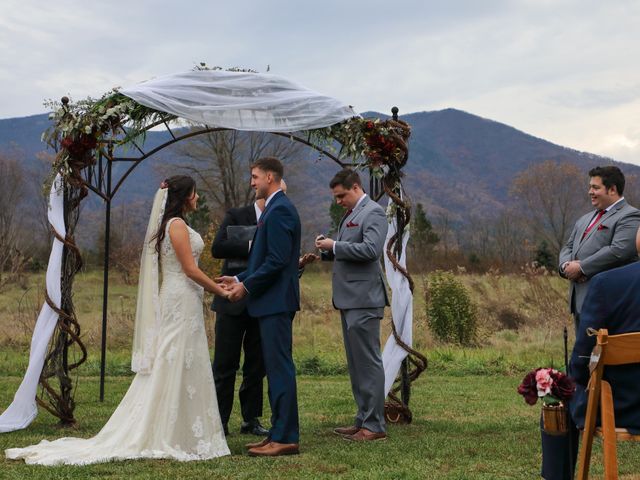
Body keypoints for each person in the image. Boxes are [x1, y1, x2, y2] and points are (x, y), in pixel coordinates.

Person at [6, 176, 230, 465]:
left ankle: (182, 426)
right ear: (185, 196)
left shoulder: (177, 225)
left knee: (183, 358)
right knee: (171, 357)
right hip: (179, 297)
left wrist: (213, 283)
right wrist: (220, 291)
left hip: (185, 297)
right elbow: (188, 269)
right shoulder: (175, 225)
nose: (198, 198)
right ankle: (164, 426)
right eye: (195, 193)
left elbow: (190, 269)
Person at [218, 157, 302, 457]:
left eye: (255, 177)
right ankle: (277, 434)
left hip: (276, 302)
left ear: (270, 176)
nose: (252, 182)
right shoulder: (274, 208)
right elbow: (264, 257)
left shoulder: (279, 211)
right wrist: (238, 276)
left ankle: (286, 437)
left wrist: (246, 287)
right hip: (270, 302)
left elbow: (277, 261)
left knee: (280, 370)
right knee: (276, 369)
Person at [542, 227, 640, 479]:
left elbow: (582, 360)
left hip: (618, 407)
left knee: (557, 394)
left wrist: (573, 380)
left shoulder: (607, 284)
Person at [315, 168, 389, 442]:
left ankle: (375, 426)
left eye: (341, 196)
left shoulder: (374, 213)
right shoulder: (351, 214)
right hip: (349, 299)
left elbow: (371, 250)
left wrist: (334, 246)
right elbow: (350, 249)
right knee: (356, 364)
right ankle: (362, 419)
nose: (338, 201)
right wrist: (327, 250)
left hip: (365, 299)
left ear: (356, 187)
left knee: (368, 363)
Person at [211, 196, 269, 437]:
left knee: (256, 365)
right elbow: (218, 248)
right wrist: (252, 245)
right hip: (231, 301)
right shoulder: (236, 215)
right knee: (225, 364)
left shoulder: (276, 217)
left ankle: (250, 419)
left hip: (260, 300)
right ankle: (219, 420)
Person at [558, 165, 640, 332]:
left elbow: (619, 250)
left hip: (608, 303)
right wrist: (566, 266)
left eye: (595, 187)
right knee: (584, 354)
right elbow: (568, 246)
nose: (590, 192)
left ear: (612, 189)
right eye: (590, 187)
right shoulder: (584, 219)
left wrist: (581, 268)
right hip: (579, 302)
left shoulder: (630, 215)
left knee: (607, 355)